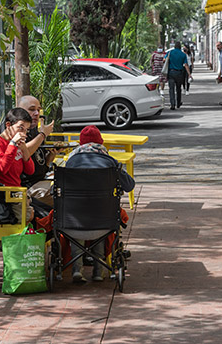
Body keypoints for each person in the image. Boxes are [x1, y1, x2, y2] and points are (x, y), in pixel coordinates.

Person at [64, 125, 135, 283]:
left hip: (72, 220)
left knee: (78, 220)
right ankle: (99, 271)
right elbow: (129, 185)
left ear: (80, 144)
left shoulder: (70, 162)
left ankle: (77, 269)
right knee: (100, 214)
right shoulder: (110, 162)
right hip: (104, 220)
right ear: (100, 143)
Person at [0, 107, 35, 223]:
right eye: (20, 128)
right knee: (32, 217)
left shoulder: (16, 144)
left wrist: (24, 150)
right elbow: (2, 168)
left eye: (26, 130)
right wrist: (12, 144)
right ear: (8, 125)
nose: (23, 133)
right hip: (4, 194)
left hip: (17, 192)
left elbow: (30, 171)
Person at [17, 95, 60, 211]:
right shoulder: (16, 129)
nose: (36, 113)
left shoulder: (34, 129)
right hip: (27, 188)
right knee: (68, 195)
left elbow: (41, 161)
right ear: (19, 110)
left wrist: (51, 155)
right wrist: (43, 135)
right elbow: (24, 152)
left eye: (38, 109)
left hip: (41, 180)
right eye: (32, 109)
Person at [165, 41, 192, 110]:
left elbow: (164, 60)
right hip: (179, 73)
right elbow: (186, 65)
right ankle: (178, 103)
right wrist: (189, 74)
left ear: (174, 46)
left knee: (171, 89)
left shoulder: (170, 53)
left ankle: (172, 104)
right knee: (178, 88)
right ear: (180, 47)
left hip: (171, 72)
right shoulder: (183, 54)